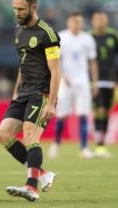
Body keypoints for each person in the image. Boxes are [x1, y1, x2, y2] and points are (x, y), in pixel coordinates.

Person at [0, 0, 61, 202]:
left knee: (30, 135)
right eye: (14, 8)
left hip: (41, 93)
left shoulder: (47, 33)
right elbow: (23, 65)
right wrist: (15, 91)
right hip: (23, 93)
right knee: (3, 134)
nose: (17, 12)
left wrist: (51, 103)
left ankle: (31, 187)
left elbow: (56, 71)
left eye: (21, 9)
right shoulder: (18, 32)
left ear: (33, 7)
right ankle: (41, 173)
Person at [48, 12, 98, 159]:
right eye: (73, 21)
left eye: (79, 21)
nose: (76, 24)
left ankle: (84, 148)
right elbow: (56, 60)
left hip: (82, 81)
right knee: (62, 115)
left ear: (82, 23)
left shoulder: (88, 39)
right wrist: (63, 76)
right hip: (65, 82)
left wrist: (94, 82)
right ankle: (56, 144)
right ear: (68, 22)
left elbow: (92, 62)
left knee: (83, 114)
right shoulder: (61, 37)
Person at [90, 11, 118, 158]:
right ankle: (99, 144)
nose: (100, 22)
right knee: (99, 109)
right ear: (93, 21)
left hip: (109, 79)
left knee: (106, 111)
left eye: (103, 19)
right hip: (93, 81)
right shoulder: (88, 37)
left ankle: (102, 143)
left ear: (107, 21)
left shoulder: (113, 35)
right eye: (98, 19)